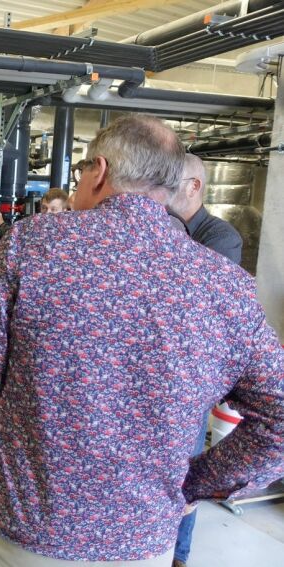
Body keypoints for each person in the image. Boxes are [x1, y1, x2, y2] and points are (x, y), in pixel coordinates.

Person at [0, 115, 284, 566]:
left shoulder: (33, 244)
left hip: (21, 525)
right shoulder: (225, 284)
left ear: (98, 171)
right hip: (143, 537)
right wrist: (198, 482)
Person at [168, 153, 243, 567]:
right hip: (157, 372)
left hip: (190, 382)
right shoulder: (164, 226)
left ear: (194, 186)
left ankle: (178, 557)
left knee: (185, 474)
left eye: (169, 181)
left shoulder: (220, 237)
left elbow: (192, 303)